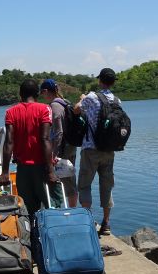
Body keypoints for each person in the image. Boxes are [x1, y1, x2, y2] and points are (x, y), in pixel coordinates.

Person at [0, 78, 61, 215]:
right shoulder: (44, 109)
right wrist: (50, 171)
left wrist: (5, 172)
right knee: (54, 207)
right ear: (37, 94)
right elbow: (45, 139)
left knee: (29, 211)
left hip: (23, 170)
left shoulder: (11, 112)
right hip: (42, 168)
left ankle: (32, 235)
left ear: (20, 94)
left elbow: (9, 142)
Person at [74, 67, 118, 236]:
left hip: (90, 149)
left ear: (100, 81)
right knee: (107, 186)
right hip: (109, 150)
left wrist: (83, 98)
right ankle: (106, 224)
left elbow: (77, 109)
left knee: (84, 185)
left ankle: (87, 221)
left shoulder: (92, 97)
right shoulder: (116, 100)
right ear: (113, 82)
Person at [39, 78, 78, 207]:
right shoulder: (65, 102)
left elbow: (58, 131)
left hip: (62, 150)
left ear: (45, 91)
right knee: (70, 180)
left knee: (61, 181)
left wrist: (54, 154)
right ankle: (72, 210)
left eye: (42, 93)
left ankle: (62, 210)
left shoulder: (55, 106)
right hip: (70, 146)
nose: (42, 96)